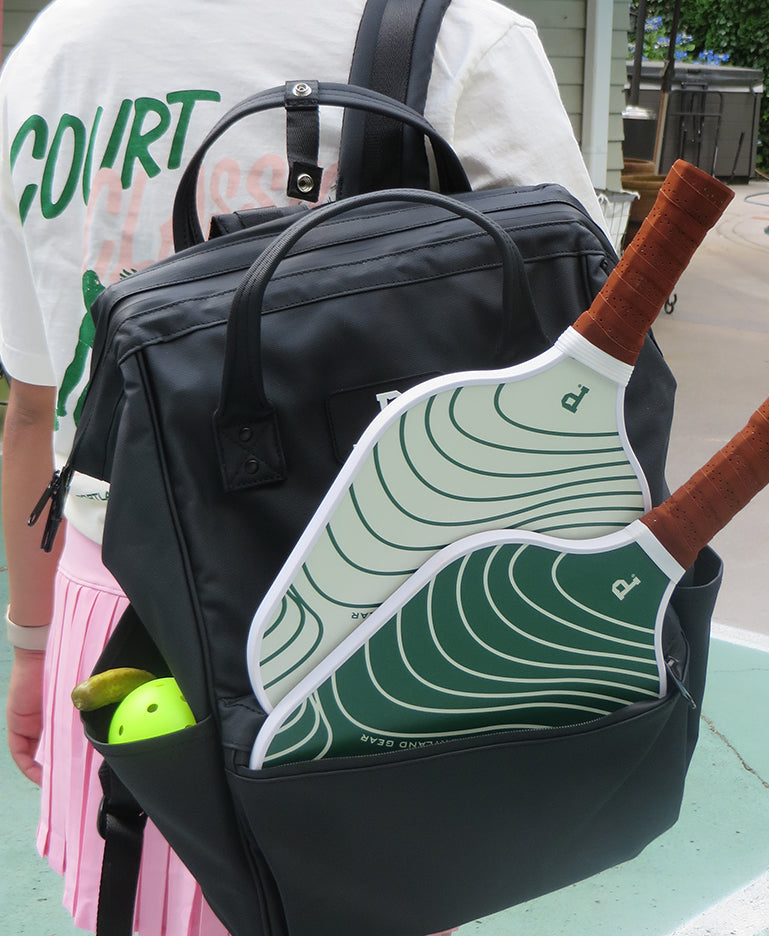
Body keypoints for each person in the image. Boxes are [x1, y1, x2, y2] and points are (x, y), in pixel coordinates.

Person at [0, 1, 608, 933]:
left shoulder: (48, 57)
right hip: (367, 617)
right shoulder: (454, 39)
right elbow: (587, 368)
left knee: (137, 908)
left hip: (108, 617)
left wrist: (35, 643)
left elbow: (33, 410)